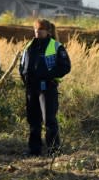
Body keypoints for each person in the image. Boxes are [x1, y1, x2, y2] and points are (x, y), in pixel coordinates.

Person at [19, 19, 71, 156]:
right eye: (36, 29)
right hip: (31, 88)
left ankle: (54, 151)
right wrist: (24, 79)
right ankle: (34, 149)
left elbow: (65, 67)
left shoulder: (56, 46)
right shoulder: (29, 46)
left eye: (41, 29)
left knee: (49, 120)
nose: (38, 31)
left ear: (48, 31)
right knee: (33, 120)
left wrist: (48, 76)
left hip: (47, 88)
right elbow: (22, 65)